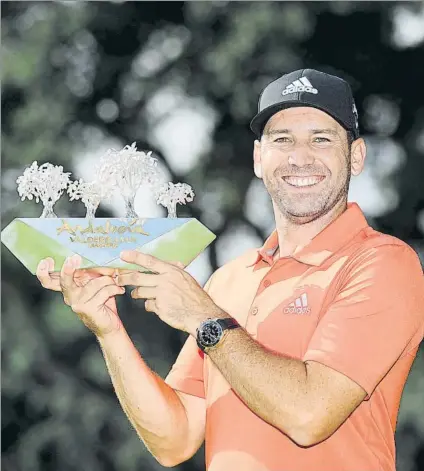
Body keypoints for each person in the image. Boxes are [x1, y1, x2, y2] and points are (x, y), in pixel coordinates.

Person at [36, 68, 424, 471]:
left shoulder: (384, 263)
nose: (300, 157)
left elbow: (309, 416)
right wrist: (108, 330)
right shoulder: (230, 280)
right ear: (259, 158)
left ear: (356, 156)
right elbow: (175, 438)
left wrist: (206, 318)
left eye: (321, 139)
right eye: (282, 139)